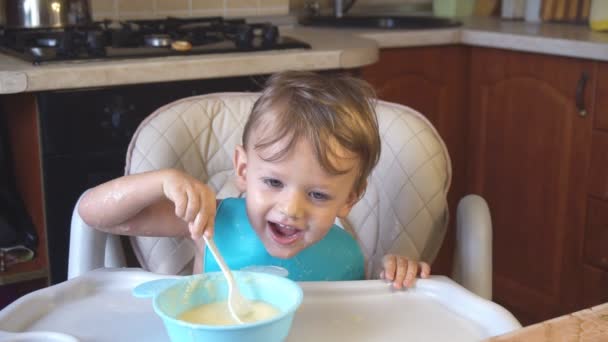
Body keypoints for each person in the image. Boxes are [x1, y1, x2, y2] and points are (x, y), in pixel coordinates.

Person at [78, 71, 430, 289]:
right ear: (244, 171)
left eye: (319, 194)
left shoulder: (348, 253)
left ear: (350, 198)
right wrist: (161, 182)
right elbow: (95, 214)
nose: (291, 209)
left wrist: (398, 278)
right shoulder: (212, 222)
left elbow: (364, 321)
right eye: (274, 183)